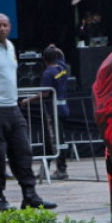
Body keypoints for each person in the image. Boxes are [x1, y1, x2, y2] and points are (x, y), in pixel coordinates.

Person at [0, 13, 53, 210]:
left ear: (10, 27)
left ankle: (30, 195)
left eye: (5, 25)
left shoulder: (10, 46)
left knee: (23, 151)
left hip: (12, 106)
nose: (2, 29)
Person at [39, 43, 75, 181]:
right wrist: (57, 50)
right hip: (62, 109)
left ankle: (61, 170)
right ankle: (46, 169)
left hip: (52, 111)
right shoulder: (62, 68)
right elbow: (62, 58)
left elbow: (45, 93)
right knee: (53, 140)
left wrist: (29, 99)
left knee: (55, 141)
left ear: (43, 58)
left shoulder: (48, 73)